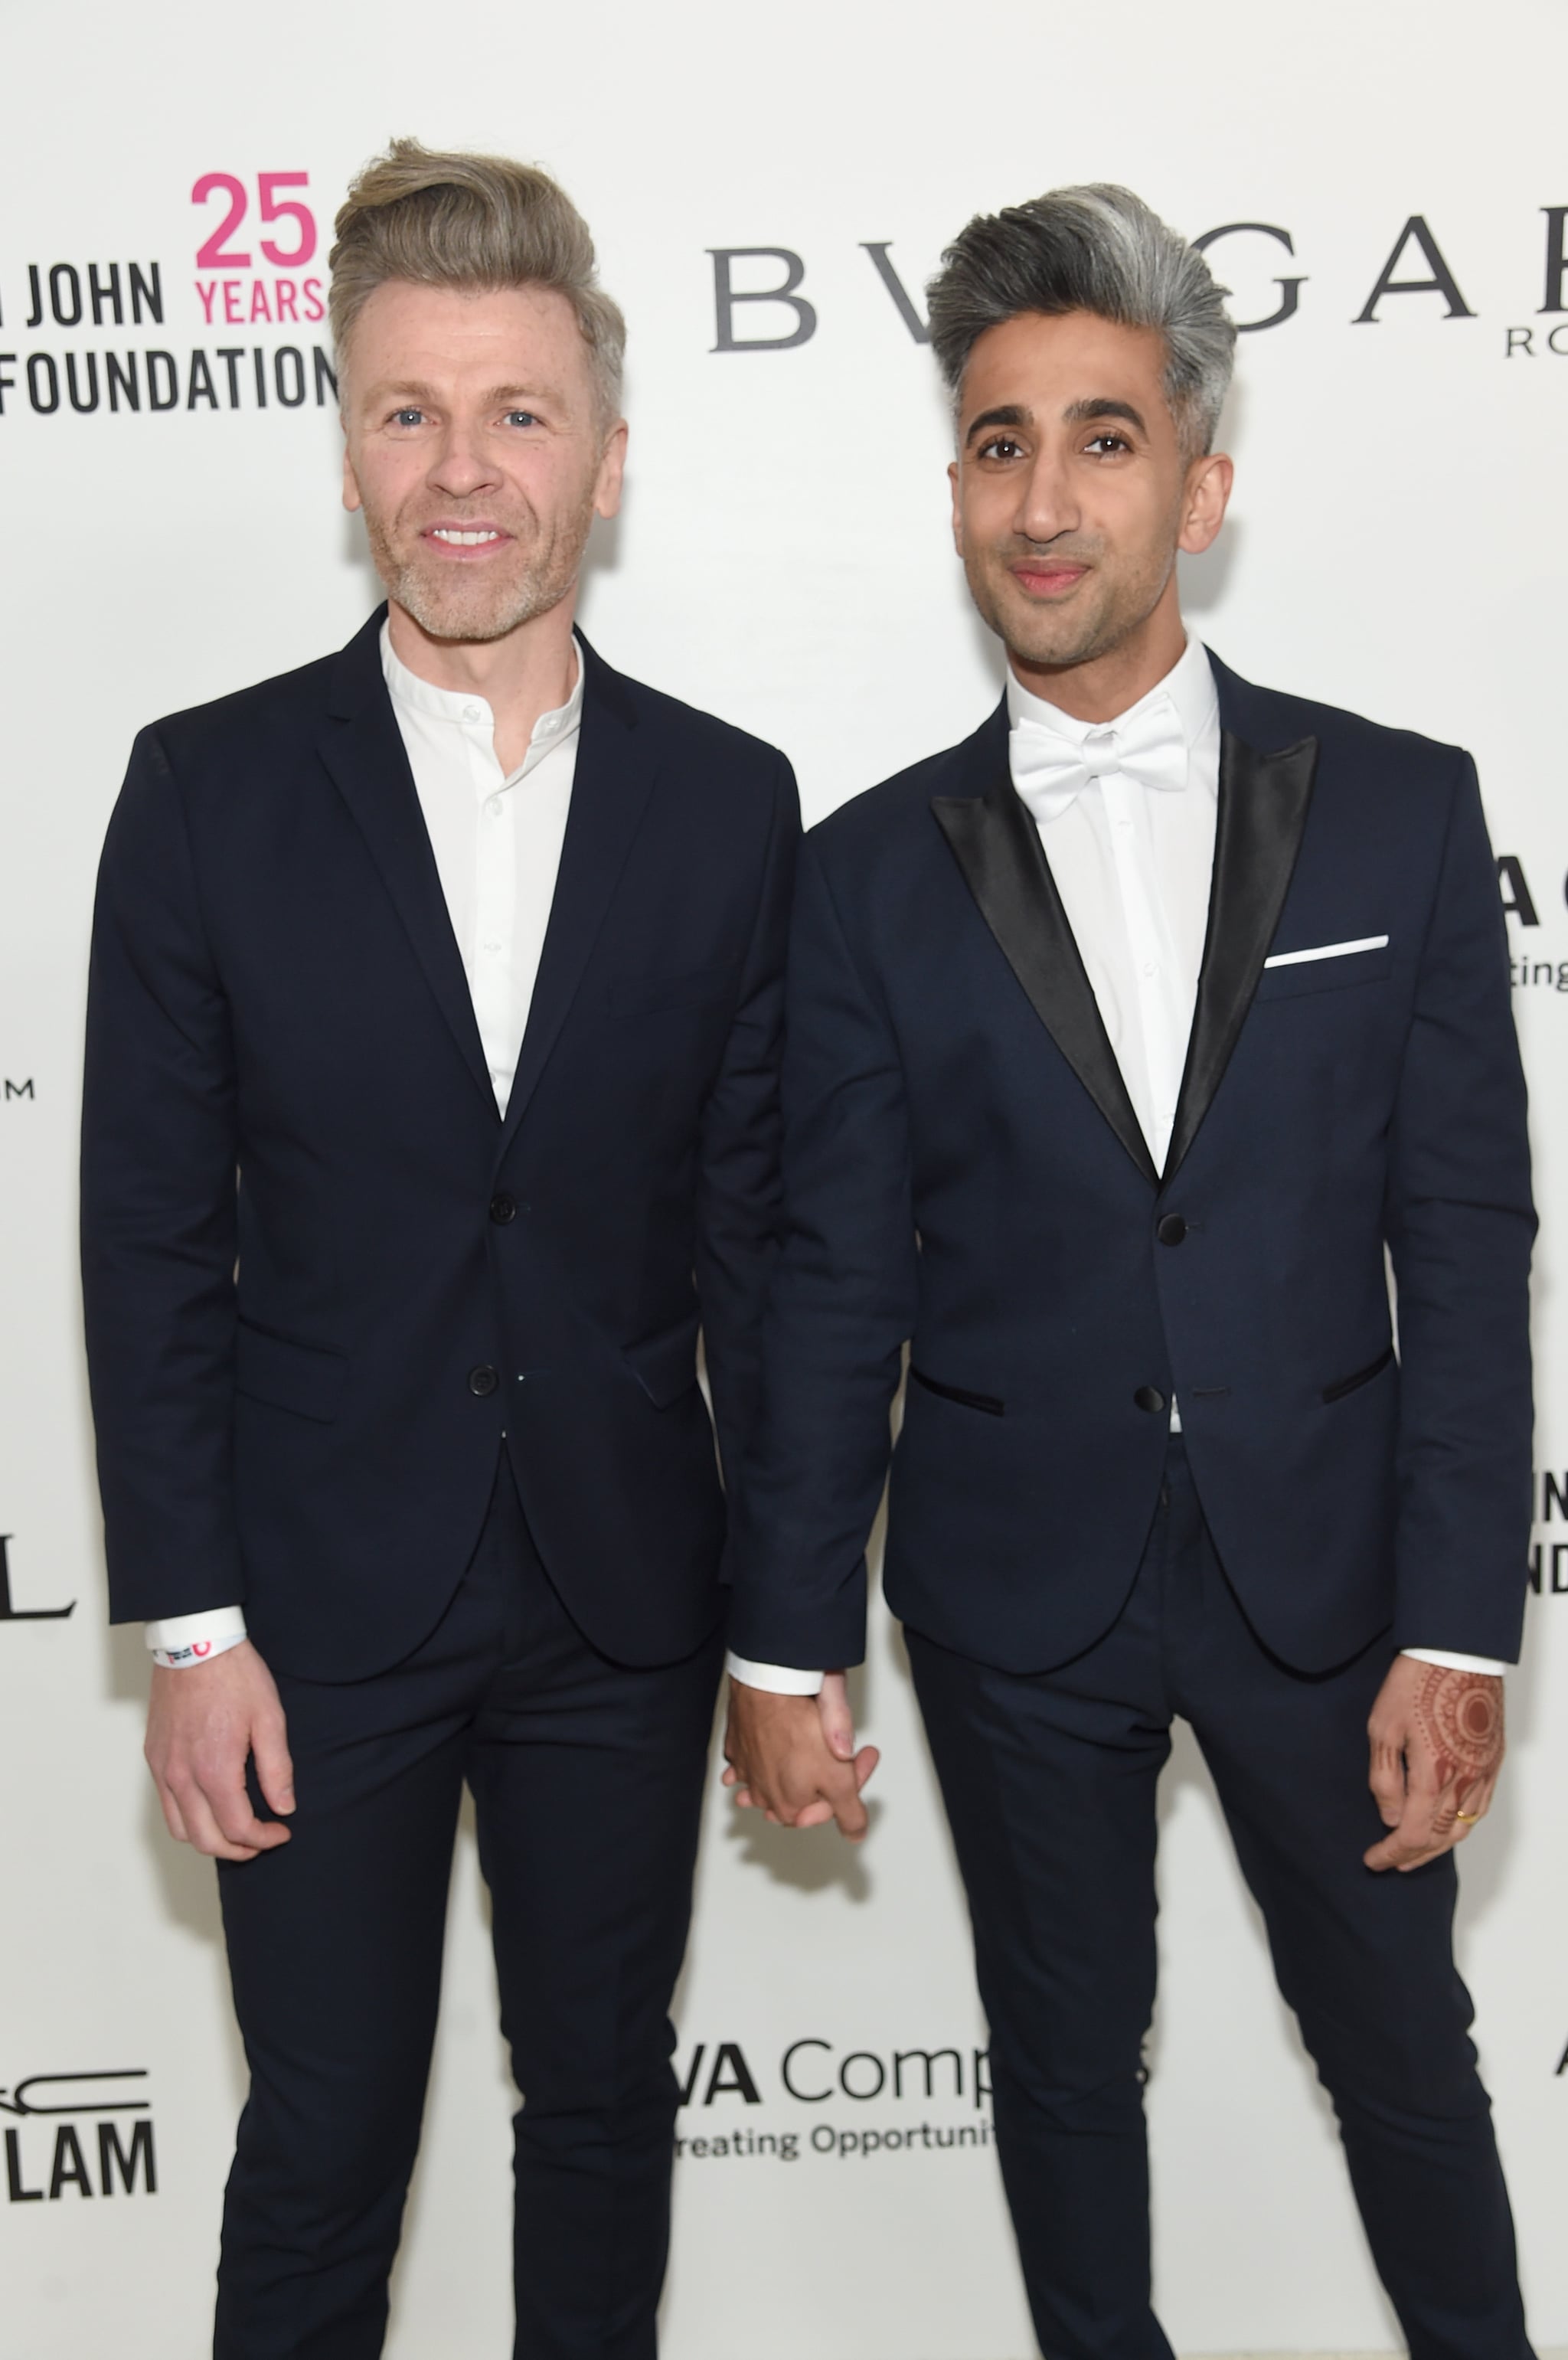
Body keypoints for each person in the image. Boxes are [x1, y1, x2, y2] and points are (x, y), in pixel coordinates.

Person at [722, 185, 1534, 2359]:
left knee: (1409, 2068)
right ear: (958, 488)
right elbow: (830, 1284)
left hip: (1336, 1584)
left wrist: (1464, 1617)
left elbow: (1464, 1241)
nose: (1046, 498)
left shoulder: (1400, 812)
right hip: (1014, 1585)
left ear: (1203, 478)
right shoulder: (866, 872)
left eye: (1099, 436)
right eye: (999, 443)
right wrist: (785, 1636)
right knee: (1064, 2092)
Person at [80, 139, 797, 2360]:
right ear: (346, 437)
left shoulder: (728, 800)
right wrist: (192, 1629)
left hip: (620, 1599)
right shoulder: (204, 789)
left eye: (513, 414)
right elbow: (143, 1234)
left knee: (601, 2118)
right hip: (314, 1611)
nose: (460, 470)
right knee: (320, 2147)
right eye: (407, 411)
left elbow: (766, 1250)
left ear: (601, 452)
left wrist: (783, 1632)